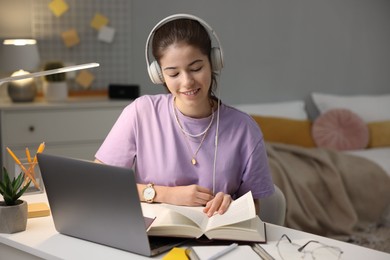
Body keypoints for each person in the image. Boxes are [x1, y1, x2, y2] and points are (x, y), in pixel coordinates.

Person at [95, 14, 274, 217]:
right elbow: (100, 181)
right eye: (173, 74)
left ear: (214, 63)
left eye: (196, 68)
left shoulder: (244, 129)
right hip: (151, 238)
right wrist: (165, 194)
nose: (187, 81)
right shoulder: (141, 113)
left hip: (215, 242)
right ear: (159, 75)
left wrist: (231, 206)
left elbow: (254, 208)